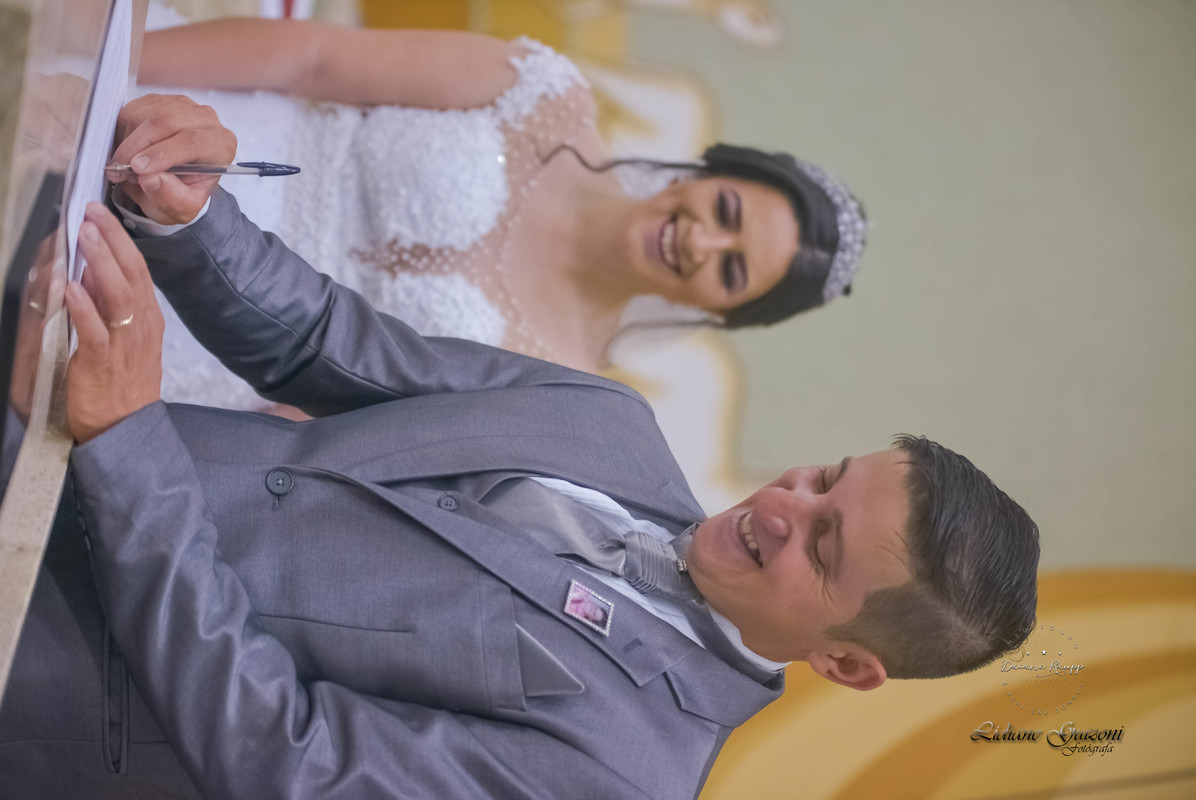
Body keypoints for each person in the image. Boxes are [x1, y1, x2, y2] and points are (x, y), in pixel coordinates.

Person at [0, 99, 1036, 799]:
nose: (782, 505)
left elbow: (286, 757)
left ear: (846, 662)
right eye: (824, 478)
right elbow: (330, 345)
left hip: (37, 661)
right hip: (32, 434)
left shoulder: (627, 773)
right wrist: (192, 220)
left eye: (823, 545)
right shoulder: (614, 423)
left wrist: (129, 443)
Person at [132, 9, 868, 410]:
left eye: (732, 270)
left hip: (197, 347)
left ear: (720, 312)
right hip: (204, 130)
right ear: (706, 173)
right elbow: (312, 59)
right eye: (727, 210)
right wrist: (115, 71)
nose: (703, 241)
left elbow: (334, 418)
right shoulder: (542, 96)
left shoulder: (559, 384)